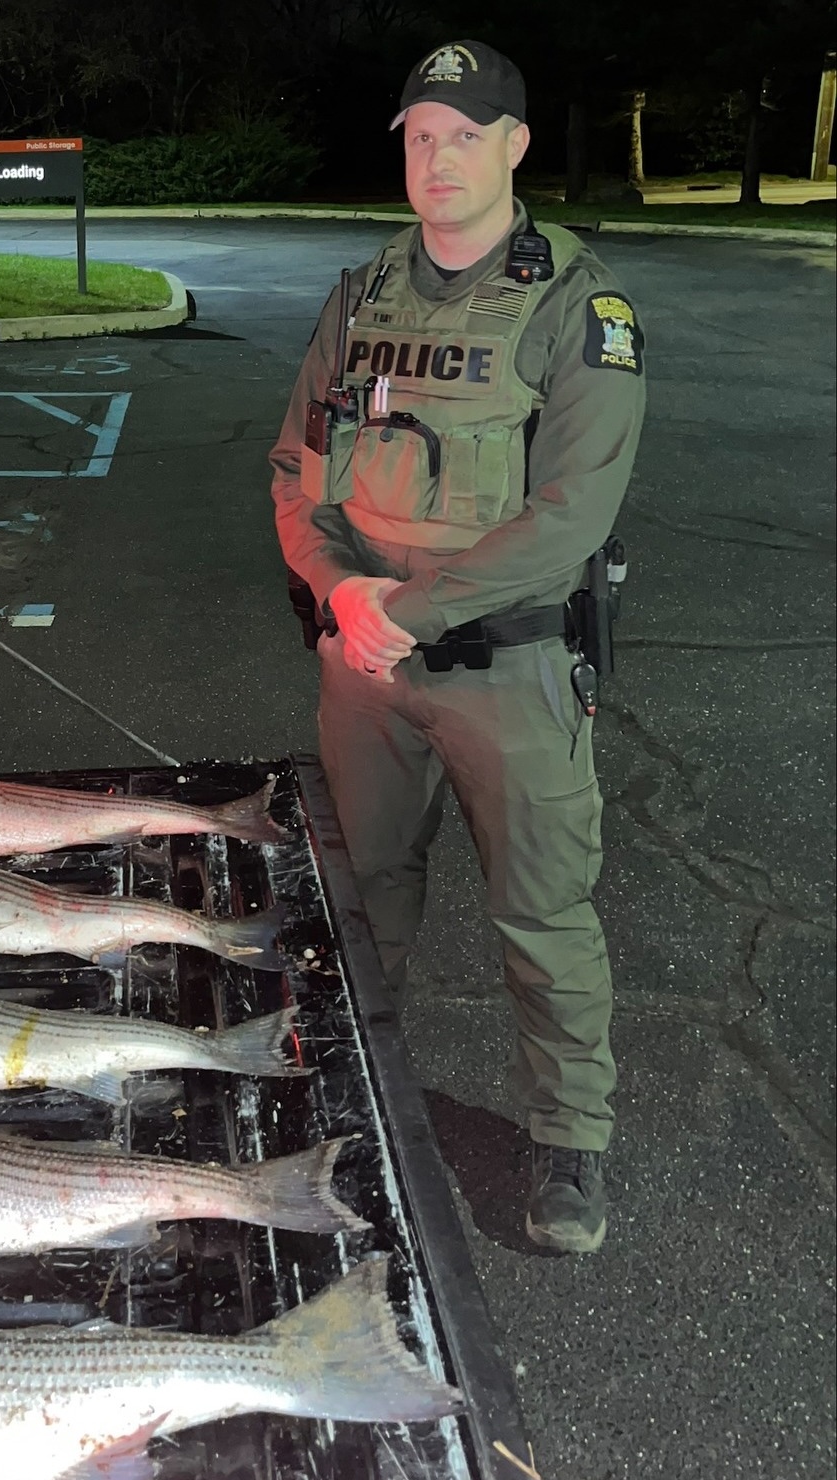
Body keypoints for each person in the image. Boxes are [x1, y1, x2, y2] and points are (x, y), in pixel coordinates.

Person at [270, 40, 646, 1254]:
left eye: (464, 135)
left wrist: (406, 612)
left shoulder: (577, 310)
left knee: (541, 915)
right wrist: (339, 586)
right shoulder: (362, 294)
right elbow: (296, 469)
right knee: (354, 893)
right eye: (419, 136)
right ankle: (338, 1096)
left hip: (513, 672)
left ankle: (569, 1142)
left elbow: (570, 517)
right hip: (364, 668)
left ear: (514, 148)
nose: (436, 158)